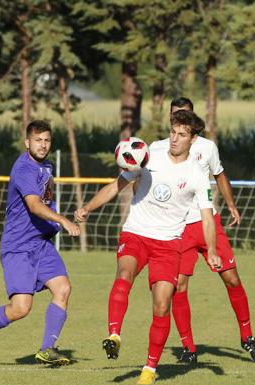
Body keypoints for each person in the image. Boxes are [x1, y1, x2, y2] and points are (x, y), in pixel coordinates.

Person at [75, 110, 219, 385]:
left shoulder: (198, 175)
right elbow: (116, 185)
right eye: (173, 132)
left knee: (162, 305)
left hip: (168, 244)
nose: (174, 138)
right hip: (136, 233)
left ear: (193, 139)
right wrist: (87, 208)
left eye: (182, 134)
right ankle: (114, 334)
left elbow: (207, 217)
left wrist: (211, 250)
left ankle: (149, 370)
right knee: (124, 274)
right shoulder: (149, 153)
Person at [156, 97, 255, 363]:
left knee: (231, 278)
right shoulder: (158, 149)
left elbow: (219, 175)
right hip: (178, 228)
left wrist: (231, 204)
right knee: (178, 287)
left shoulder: (207, 148)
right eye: (175, 117)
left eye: (185, 117)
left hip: (208, 223)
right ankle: (188, 348)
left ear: (194, 123)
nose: (179, 121)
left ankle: (247, 337)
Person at [0, 120, 80, 367]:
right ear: (27, 142)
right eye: (38, 140)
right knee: (20, 308)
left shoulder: (47, 167)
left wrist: (53, 226)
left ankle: (48, 348)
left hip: (41, 245)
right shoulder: (24, 169)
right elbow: (34, 205)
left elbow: (46, 202)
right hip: (18, 248)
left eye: (47, 140)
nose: (43, 145)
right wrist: (63, 220)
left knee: (63, 289)